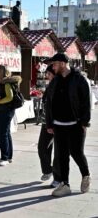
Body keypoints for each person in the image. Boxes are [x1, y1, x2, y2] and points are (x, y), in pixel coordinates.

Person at [46, 53, 91, 197]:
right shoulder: (55, 81)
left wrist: (84, 122)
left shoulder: (79, 79)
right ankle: (65, 184)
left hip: (76, 124)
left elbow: (86, 102)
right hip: (59, 125)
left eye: (54, 64)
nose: (53, 67)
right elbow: (49, 102)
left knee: (76, 152)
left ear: (63, 64)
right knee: (61, 156)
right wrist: (49, 123)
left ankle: (86, 176)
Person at [37, 64, 61, 188]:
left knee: (58, 153)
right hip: (45, 122)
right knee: (42, 148)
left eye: (49, 73)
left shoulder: (59, 86)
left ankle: (59, 178)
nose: (46, 75)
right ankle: (48, 170)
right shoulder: (50, 85)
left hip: (57, 124)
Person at [0, 65, 21, 166]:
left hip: (6, 110)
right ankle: (8, 156)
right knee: (6, 133)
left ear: (2, 73)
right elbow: (7, 96)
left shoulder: (5, 83)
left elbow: (9, 97)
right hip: (7, 110)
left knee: (3, 134)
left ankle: (5, 157)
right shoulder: (6, 82)